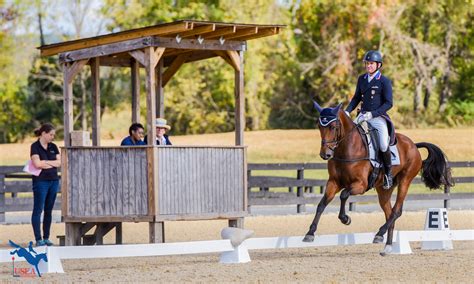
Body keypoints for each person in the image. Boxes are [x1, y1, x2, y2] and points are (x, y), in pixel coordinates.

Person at [345, 50, 394, 190]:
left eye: (371, 63)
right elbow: (356, 98)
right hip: (362, 116)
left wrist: (373, 114)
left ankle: (388, 175)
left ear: (378, 65)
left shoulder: (384, 81)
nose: (368, 66)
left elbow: (389, 103)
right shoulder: (362, 79)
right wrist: (348, 111)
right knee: (347, 136)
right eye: (367, 63)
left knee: (384, 144)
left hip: (378, 118)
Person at [30, 123, 61, 246]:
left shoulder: (53, 146)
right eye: (51, 134)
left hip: (54, 180)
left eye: (53, 135)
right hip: (40, 181)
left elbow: (60, 163)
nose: (52, 137)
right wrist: (51, 163)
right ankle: (38, 239)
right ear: (43, 133)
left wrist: (46, 162)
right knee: (38, 209)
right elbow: (37, 164)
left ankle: (46, 237)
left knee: (49, 210)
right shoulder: (35, 146)